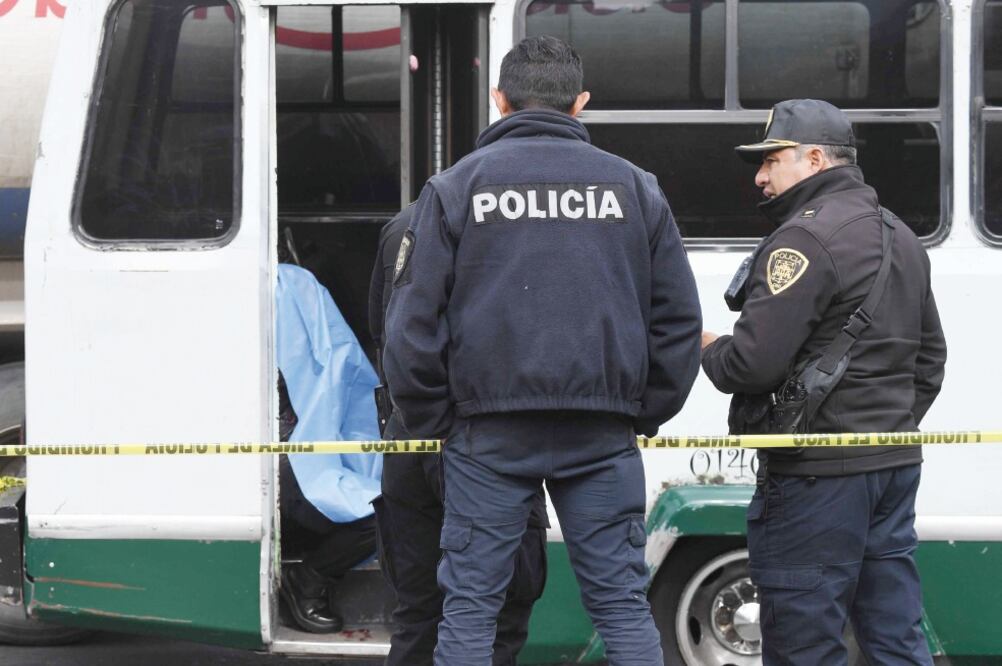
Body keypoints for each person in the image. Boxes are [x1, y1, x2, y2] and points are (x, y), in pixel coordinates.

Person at [383, 35, 702, 666]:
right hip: (601, 432)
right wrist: (642, 411)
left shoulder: (453, 188)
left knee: (470, 609)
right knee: (621, 605)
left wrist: (438, 420)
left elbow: (410, 328)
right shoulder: (636, 188)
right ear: (580, 104)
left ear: (498, 101)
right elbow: (679, 321)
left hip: (487, 434)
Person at [701, 99, 947, 665]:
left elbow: (750, 366)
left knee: (803, 645)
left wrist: (710, 349)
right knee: (896, 637)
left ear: (813, 159)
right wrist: (882, 425)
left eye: (771, 160)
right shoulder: (899, 236)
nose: (760, 177)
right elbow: (930, 358)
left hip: (815, 482)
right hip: (891, 465)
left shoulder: (803, 241)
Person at [368, 206, 548, 665]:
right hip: (490, 440)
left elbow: (383, 335)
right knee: (499, 614)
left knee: (417, 614)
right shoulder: (521, 223)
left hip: (408, 435)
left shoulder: (401, 225)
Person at [276, 263, 383, 634]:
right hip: (280, 464)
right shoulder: (288, 292)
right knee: (383, 511)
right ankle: (307, 580)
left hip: (296, 455)